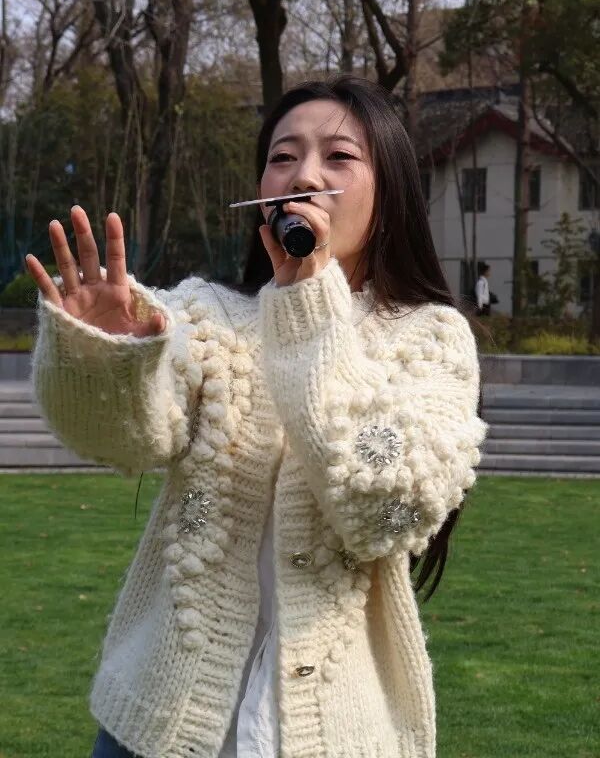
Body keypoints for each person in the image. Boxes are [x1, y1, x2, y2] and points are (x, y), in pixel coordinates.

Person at [25, 75, 489, 758]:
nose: (304, 175)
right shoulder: (208, 316)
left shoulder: (431, 339)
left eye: (339, 156)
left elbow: (384, 511)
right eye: (282, 156)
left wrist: (309, 305)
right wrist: (110, 352)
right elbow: (123, 436)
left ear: (389, 192)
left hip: (340, 733)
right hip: (158, 723)